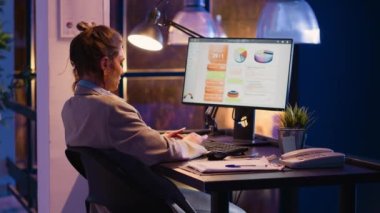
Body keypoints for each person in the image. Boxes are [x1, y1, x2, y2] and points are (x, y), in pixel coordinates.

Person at [61, 22, 245, 213]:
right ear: (105, 64)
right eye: (121, 62)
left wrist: (159, 139)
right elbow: (164, 151)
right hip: (150, 204)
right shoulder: (111, 109)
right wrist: (192, 142)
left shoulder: (71, 109)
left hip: (114, 206)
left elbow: (119, 145)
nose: (122, 71)